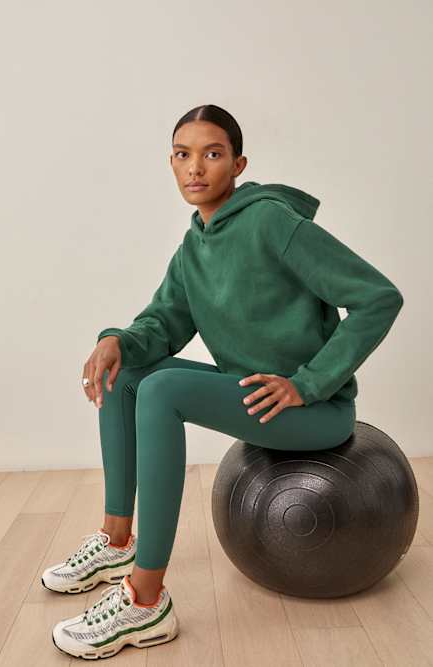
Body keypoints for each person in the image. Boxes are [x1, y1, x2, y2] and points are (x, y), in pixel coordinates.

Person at [44, 104, 404, 660]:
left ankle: (145, 601)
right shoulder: (194, 246)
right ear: (170, 163)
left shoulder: (272, 223)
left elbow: (378, 297)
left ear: (238, 164)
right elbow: (162, 325)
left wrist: (308, 383)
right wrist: (115, 339)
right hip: (254, 400)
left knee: (162, 390)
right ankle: (117, 542)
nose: (196, 167)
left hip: (316, 413)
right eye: (183, 155)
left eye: (212, 154)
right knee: (126, 372)